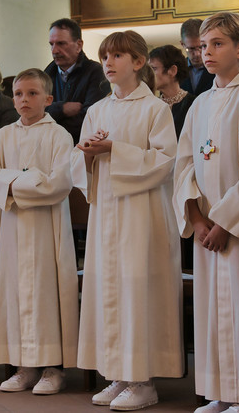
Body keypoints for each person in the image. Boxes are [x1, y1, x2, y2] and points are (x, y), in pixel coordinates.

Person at [71, 31, 183, 410]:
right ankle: (118, 375)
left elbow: (166, 160)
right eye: (105, 55)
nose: (108, 62)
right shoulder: (97, 110)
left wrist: (114, 149)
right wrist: (87, 155)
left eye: (117, 55)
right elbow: (78, 164)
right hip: (106, 211)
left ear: (137, 63)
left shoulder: (155, 109)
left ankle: (144, 380)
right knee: (109, 289)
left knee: (137, 289)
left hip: (141, 214)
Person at [174, 12, 239, 413]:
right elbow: (183, 163)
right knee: (211, 308)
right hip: (206, 228)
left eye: (217, 44)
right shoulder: (200, 103)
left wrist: (225, 222)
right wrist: (198, 219)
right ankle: (220, 390)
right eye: (203, 45)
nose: (206, 52)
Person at [0, 68, 79, 395]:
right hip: (11, 227)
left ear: (49, 99)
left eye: (33, 93)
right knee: (14, 291)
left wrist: (12, 185)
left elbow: (58, 183)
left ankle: (52, 367)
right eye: (19, 93)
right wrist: (28, 180)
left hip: (45, 228)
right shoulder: (1, 136)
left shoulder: (59, 136)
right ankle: (23, 366)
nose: (24, 99)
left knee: (45, 291)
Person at [44, 18, 109, 144]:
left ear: (79, 45)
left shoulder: (96, 72)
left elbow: (92, 119)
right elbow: (35, 113)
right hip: (51, 148)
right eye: (51, 44)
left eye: (61, 43)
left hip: (82, 148)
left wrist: (51, 123)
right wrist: (61, 108)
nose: (54, 50)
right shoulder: (46, 75)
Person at [149, 45, 195, 137]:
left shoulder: (194, 104)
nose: (149, 75)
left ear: (173, 70)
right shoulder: (152, 105)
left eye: (153, 69)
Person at [180, 18, 215, 96]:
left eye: (201, 47)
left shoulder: (218, 69)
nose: (197, 54)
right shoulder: (176, 71)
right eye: (191, 49)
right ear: (182, 44)